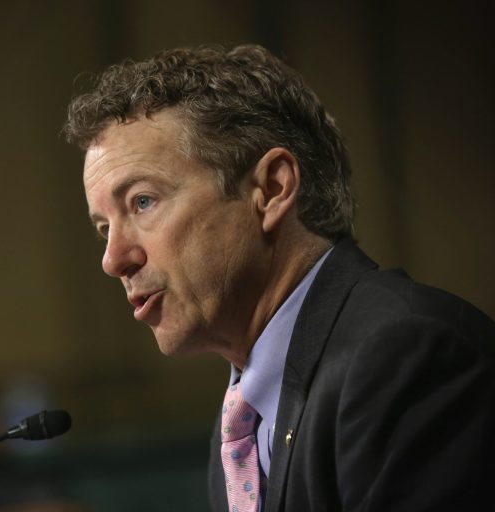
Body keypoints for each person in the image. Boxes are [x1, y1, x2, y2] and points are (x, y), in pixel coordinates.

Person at [63, 44, 495, 511]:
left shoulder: (407, 355)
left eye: (143, 202)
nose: (113, 259)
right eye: (104, 229)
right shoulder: (241, 424)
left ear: (271, 189)